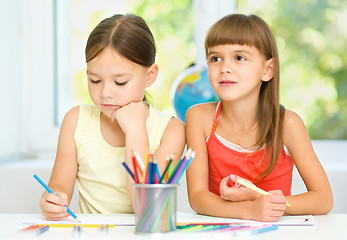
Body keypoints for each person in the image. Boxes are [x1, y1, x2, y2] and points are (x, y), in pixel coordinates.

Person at [185, 14, 333, 222]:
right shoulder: (198, 117)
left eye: (239, 58)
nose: (224, 68)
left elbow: (323, 200)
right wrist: (249, 210)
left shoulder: (287, 124)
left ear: (268, 70)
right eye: (215, 58)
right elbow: (198, 198)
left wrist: (261, 200)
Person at [39, 14, 185, 220]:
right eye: (95, 80)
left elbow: (149, 210)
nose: (106, 92)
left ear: (150, 76)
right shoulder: (75, 121)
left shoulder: (171, 131)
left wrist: (135, 131)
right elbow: (58, 188)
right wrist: (52, 202)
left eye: (120, 82)